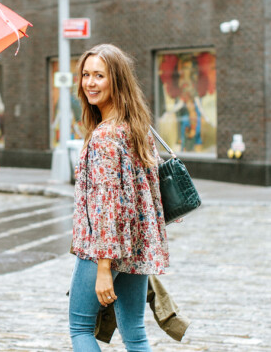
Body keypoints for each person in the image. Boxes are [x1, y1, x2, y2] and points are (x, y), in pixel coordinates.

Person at [69, 44, 169, 352]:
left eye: (99, 75)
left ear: (117, 81)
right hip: (135, 245)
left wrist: (103, 268)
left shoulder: (105, 136)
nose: (90, 83)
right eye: (86, 75)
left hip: (104, 249)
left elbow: (107, 207)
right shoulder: (136, 128)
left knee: (80, 328)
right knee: (135, 332)